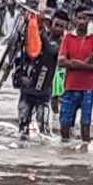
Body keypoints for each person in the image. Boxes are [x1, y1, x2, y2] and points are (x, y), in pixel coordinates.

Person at [16, 11, 69, 139]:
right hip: (27, 88)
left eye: (62, 26)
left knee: (44, 133)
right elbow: (25, 49)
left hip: (44, 93)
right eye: (57, 25)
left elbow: (55, 55)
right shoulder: (38, 37)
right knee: (22, 129)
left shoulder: (62, 44)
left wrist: (60, 92)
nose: (59, 29)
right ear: (51, 25)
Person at [58, 6, 93, 149]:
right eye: (79, 18)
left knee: (86, 126)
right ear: (74, 19)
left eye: (85, 18)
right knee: (64, 125)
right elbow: (61, 61)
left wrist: (75, 64)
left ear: (89, 20)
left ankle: (85, 156)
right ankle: (66, 155)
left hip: (88, 89)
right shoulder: (68, 38)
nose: (82, 21)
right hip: (70, 87)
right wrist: (86, 64)